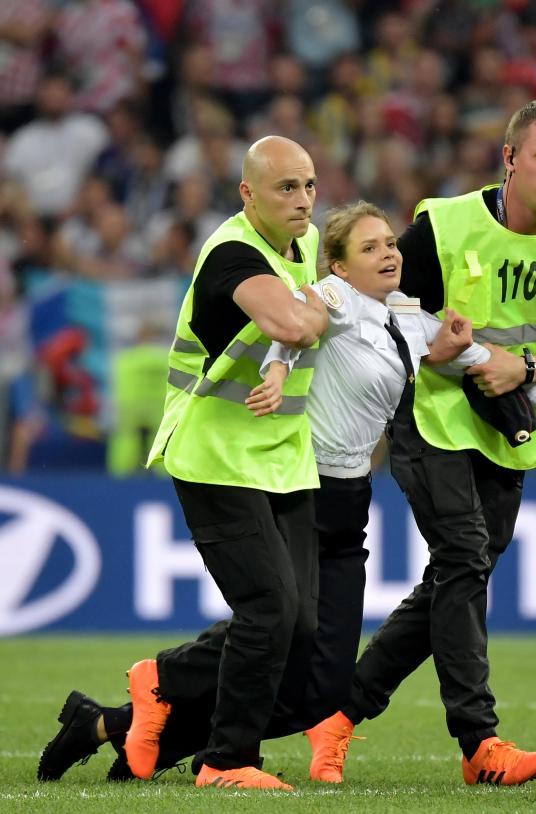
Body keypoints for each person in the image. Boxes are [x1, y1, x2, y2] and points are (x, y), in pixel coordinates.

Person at [37, 200, 536, 783]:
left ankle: (114, 723)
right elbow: (294, 322)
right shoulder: (333, 300)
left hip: (351, 498)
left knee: (321, 685)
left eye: (390, 243)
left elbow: (489, 363)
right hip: (305, 490)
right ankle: (177, 702)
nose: (389, 252)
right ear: (336, 265)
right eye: (370, 247)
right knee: (280, 629)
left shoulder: (410, 320)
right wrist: (279, 369)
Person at [306, 99, 536, 788]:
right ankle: (479, 742)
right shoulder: (444, 227)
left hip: (512, 421)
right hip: (434, 416)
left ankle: (341, 713)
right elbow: (376, 300)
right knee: (465, 557)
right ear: (509, 159)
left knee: (456, 577)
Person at [132, 134, 326, 792]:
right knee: (269, 611)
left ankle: (159, 682)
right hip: (213, 453)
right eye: (286, 188)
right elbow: (296, 325)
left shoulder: (310, 243)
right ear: (248, 194)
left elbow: (311, 323)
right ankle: (226, 761)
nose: (303, 201)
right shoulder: (231, 252)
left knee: (298, 625)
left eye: (308, 185)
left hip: (282, 457)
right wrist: (325, 305)